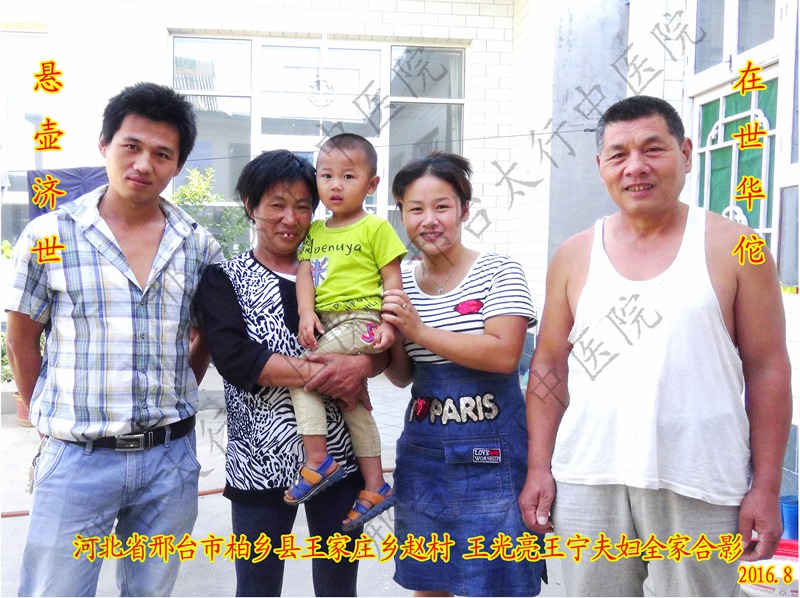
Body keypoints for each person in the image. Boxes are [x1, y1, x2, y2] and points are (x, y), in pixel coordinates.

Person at [518, 95, 792, 596]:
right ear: (601, 166)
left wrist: (767, 486)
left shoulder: (739, 247)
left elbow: (768, 368)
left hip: (701, 478)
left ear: (686, 154)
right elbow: (550, 365)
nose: (635, 167)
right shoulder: (574, 254)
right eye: (618, 154)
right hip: (589, 475)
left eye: (653, 149)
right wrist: (539, 467)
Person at [5, 82, 223, 596]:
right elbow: (21, 340)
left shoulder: (197, 245)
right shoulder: (49, 235)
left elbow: (205, 335)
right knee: (55, 590)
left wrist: (177, 393)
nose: (144, 164)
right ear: (104, 144)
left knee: (151, 590)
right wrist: (49, 417)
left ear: (177, 165)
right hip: (77, 457)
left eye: (162, 154)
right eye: (131, 145)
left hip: (169, 461)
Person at [196, 149, 389, 597]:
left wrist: (363, 364)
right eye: (277, 205)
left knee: (338, 587)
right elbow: (236, 359)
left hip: (339, 461)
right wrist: (329, 373)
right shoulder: (224, 279)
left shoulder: (336, 272)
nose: (290, 218)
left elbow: (375, 337)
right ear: (251, 206)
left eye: (303, 206)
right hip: (259, 464)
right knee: (257, 588)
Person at [381, 152, 546, 597]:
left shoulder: (498, 271)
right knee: (429, 578)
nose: (429, 220)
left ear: (464, 210)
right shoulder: (399, 283)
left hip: (493, 453)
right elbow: (401, 376)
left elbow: (504, 354)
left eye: (442, 207)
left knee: (500, 581)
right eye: (416, 209)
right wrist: (385, 335)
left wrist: (417, 329)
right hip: (425, 452)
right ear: (401, 214)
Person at [285, 133, 406, 530]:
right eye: (326, 176)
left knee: (304, 374)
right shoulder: (316, 232)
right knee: (349, 398)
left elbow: (393, 282)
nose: (335, 185)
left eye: (348, 176)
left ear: (371, 184)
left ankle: (318, 460)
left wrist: (389, 325)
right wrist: (306, 313)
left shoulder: (376, 228)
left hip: (361, 320)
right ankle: (375, 485)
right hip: (328, 320)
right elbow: (306, 275)